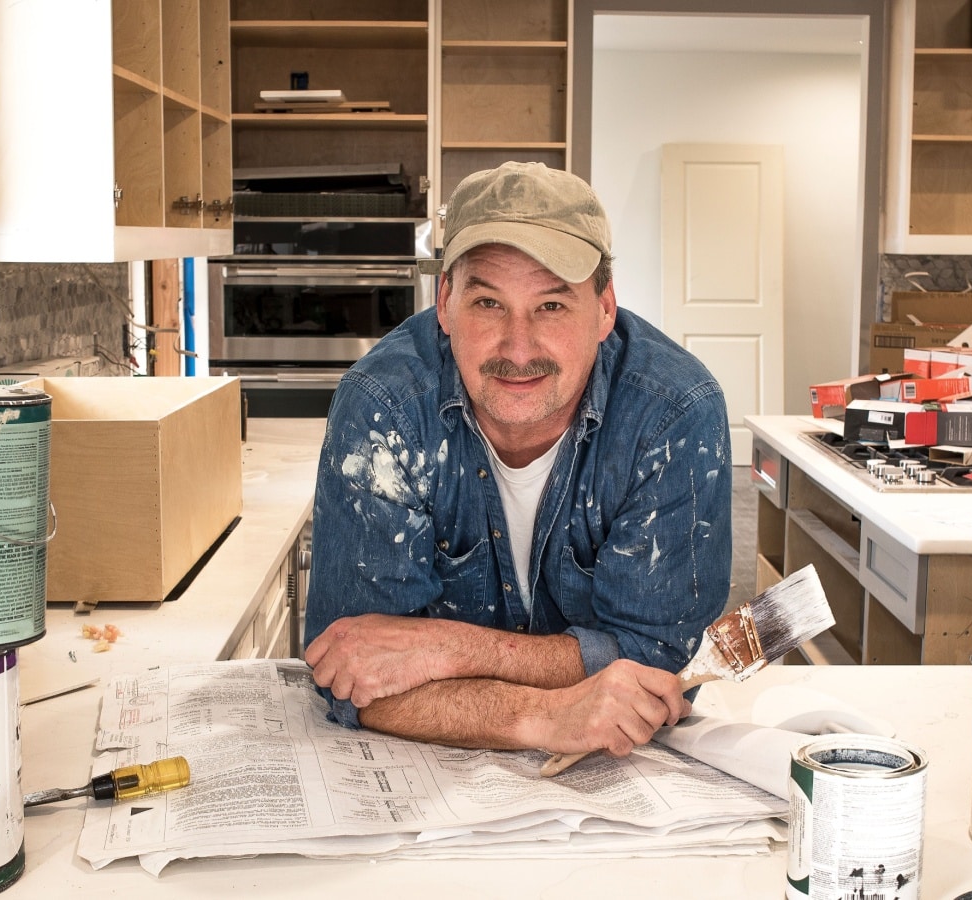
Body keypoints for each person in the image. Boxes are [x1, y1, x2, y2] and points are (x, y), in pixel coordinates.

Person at [303, 161, 733, 762]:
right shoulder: (385, 407)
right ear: (446, 303)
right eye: (488, 303)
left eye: (552, 306)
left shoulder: (673, 414)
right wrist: (547, 714)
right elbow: (348, 672)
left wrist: (450, 650)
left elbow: (662, 664)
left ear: (605, 308)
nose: (519, 348)